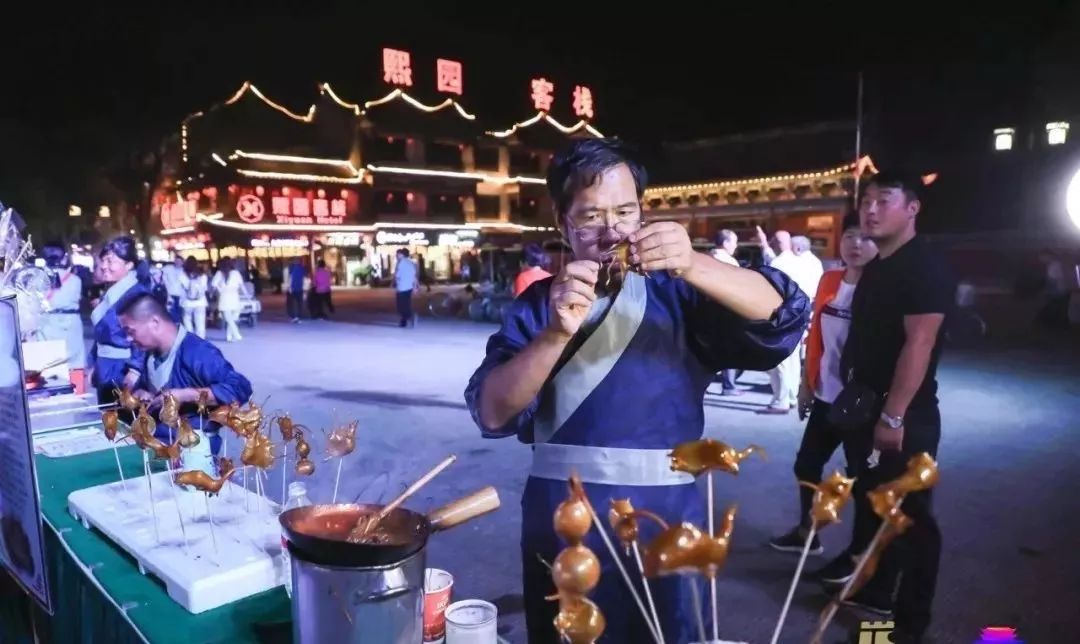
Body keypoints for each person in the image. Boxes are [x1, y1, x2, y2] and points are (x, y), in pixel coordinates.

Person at [464, 138, 810, 643]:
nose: (612, 231)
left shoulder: (680, 290)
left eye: (626, 211)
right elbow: (492, 412)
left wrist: (693, 262)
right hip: (563, 517)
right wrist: (556, 335)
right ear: (563, 223)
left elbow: (782, 313)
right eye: (591, 216)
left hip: (665, 515)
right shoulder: (539, 305)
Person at [821, 171, 954, 642]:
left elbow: (919, 344)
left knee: (913, 519)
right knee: (879, 507)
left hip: (905, 416)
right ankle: (879, 592)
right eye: (866, 200)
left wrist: (894, 414)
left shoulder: (925, 267)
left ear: (912, 207)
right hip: (865, 407)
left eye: (884, 200)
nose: (870, 209)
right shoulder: (878, 266)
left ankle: (912, 625)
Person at [769, 212, 878, 554]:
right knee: (806, 464)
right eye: (849, 236)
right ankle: (807, 532)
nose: (856, 244)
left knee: (860, 476)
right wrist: (806, 384)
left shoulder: (882, 288)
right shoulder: (830, 280)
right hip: (827, 395)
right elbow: (817, 335)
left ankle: (861, 551)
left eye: (865, 237)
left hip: (861, 402)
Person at [119, 294, 252, 463]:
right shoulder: (151, 353)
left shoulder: (198, 352)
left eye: (131, 331)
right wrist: (143, 394)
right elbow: (156, 390)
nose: (128, 339)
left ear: (154, 323)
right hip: (159, 446)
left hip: (193, 452)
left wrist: (186, 395)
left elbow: (240, 387)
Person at [757, 229, 820, 414]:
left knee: (780, 362)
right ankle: (791, 396)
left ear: (776, 244)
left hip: (782, 316)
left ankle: (780, 400)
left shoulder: (778, 263)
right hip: (801, 315)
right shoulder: (800, 262)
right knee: (792, 360)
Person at [89, 236, 151, 404]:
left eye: (110, 261)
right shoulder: (112, 291)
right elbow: (102, 332)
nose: (103, 266)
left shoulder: (136, 294)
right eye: (103, 260)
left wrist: (135, 370)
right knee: (109, 421)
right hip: (105, 366)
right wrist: (94, 363)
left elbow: (145, 335)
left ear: (129, 265)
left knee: (127, 422)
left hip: (123, 368)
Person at [37, 242, 87, 387]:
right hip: (71, 324)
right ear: (63, 258)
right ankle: (77, 390)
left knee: (48, 362)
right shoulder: (75, 280)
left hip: (46, 322)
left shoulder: (37, 279)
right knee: (75, 360)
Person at [712, 229, 742, 395]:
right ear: (725, 243)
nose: (736, 245)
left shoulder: (706, 258)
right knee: (729, 350)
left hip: (705, 312)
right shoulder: (729, 262)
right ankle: (729, 386)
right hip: (725, 311)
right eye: (734, 241)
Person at [211, 257, 244, 342]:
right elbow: (241, 285)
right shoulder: (236, 273)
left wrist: (219, 290)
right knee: (232, 318)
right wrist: (246, 294)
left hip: (224, 296)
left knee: (229, 318)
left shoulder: (219, 273)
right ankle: (236, 334)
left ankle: (230, 336)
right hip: (234, 296)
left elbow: (213, 285)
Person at [179, 256, 208, 339]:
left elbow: (183, 288)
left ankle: (191, 339)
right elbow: (205, 288)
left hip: (187, 303)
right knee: (200, 324)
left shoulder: (183, 274)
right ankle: (201, 340)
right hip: (200, 302)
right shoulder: (202, 275)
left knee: (187, 321)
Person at [791, 235, 824, 300]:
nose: (789, 251)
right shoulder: (816, 261)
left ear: (798, 249)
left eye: (791, 247)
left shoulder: (797, 262)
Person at [394, 249, 419, 327]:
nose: (396, 256)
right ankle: (404, 321)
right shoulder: (411, 263)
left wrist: (396, 278)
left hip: (402, 287)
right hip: (409, 287)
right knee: (406, 304)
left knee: (401, 306)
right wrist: (415, 287)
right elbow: (414, 276)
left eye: (398, 255)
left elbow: (397, 275)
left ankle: (410, 317)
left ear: (402, 255)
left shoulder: (400, 263)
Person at [161, 256, 185, 323]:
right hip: (170, 294)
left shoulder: (184, 271)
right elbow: (161, 275)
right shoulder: (168, 268)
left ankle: (178, 326)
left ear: (182, 262)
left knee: (179, 312)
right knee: (171, 312)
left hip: (181, 295)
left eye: (180, 261)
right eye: (176, 261)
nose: (178, 263)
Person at [286, 257, 305, 323]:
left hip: (293, 288)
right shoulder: (302, 268)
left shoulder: (291, 268)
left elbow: (290, 278)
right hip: (300, 287)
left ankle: (294, 316)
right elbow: (303, 278)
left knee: (291, 303)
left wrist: (289, 287)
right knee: (299, 303)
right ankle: (299, 316)